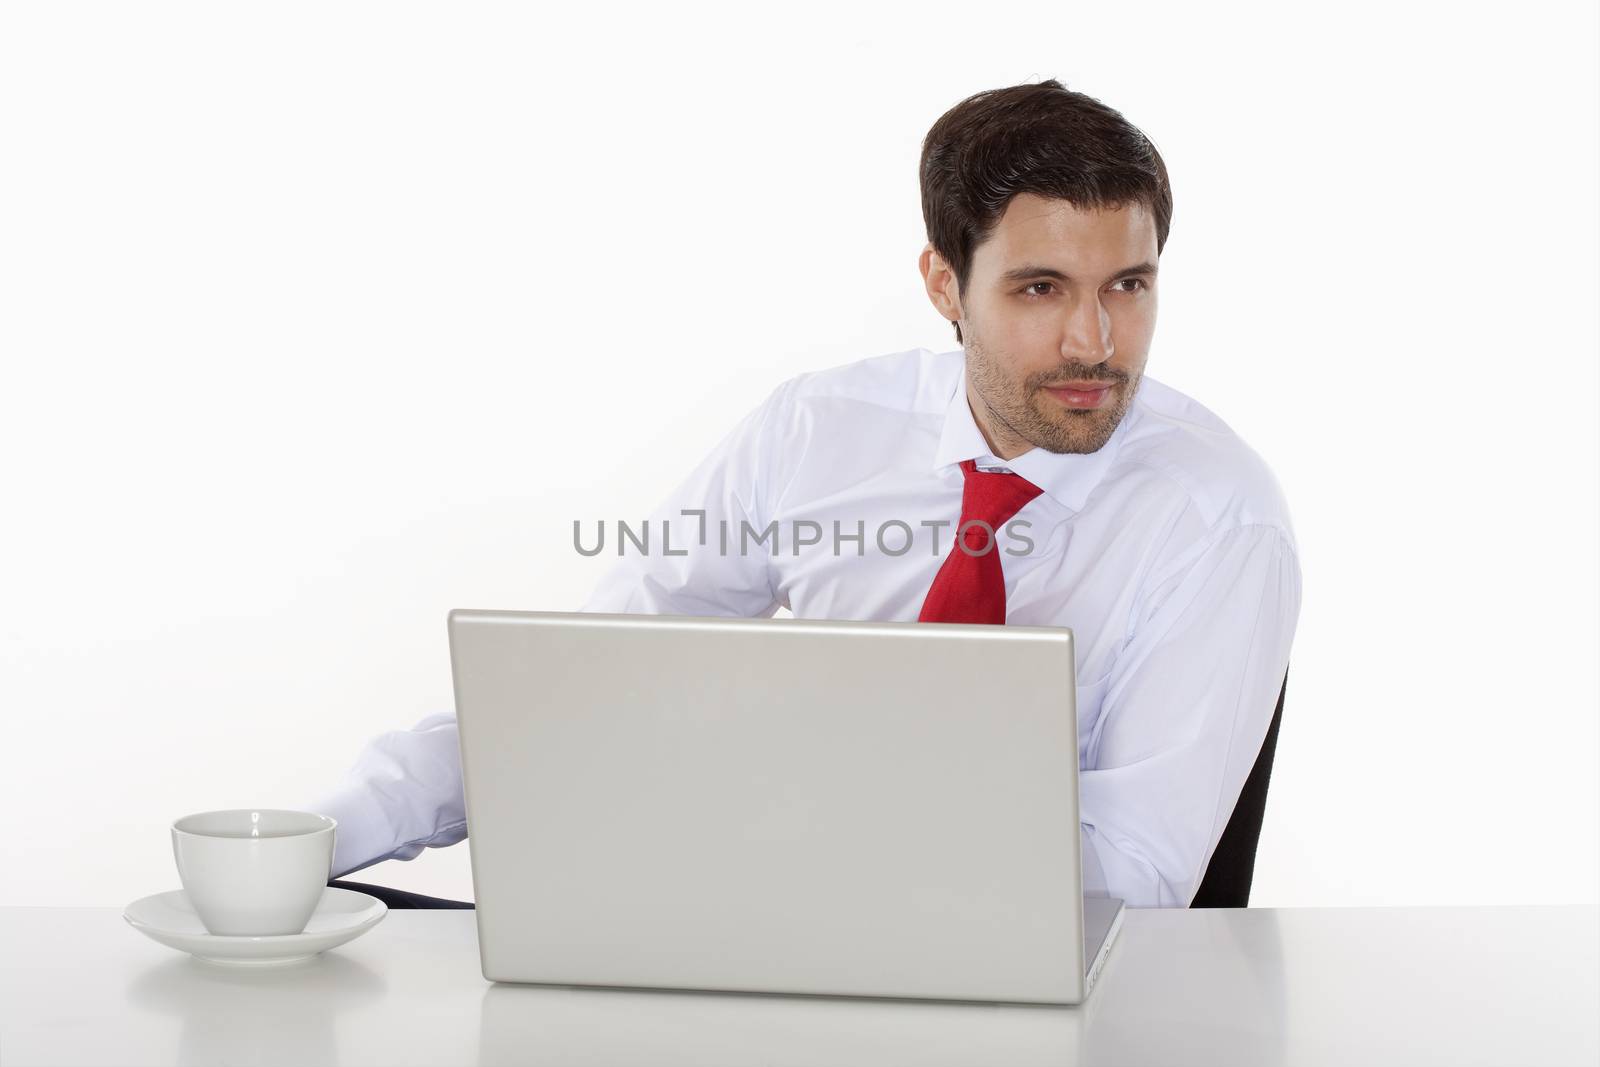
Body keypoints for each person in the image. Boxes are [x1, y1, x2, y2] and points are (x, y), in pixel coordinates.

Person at [309, 79, 1302, 909]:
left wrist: (797, 856)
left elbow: (1136, 870)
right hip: (770, 939)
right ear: (944, 285)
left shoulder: (1217, 517)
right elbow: (591, 687)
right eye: (1040, 288)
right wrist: (329, 835)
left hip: (1045, 991)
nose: (1095, 341)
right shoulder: (818, 433)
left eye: (1128, 285)